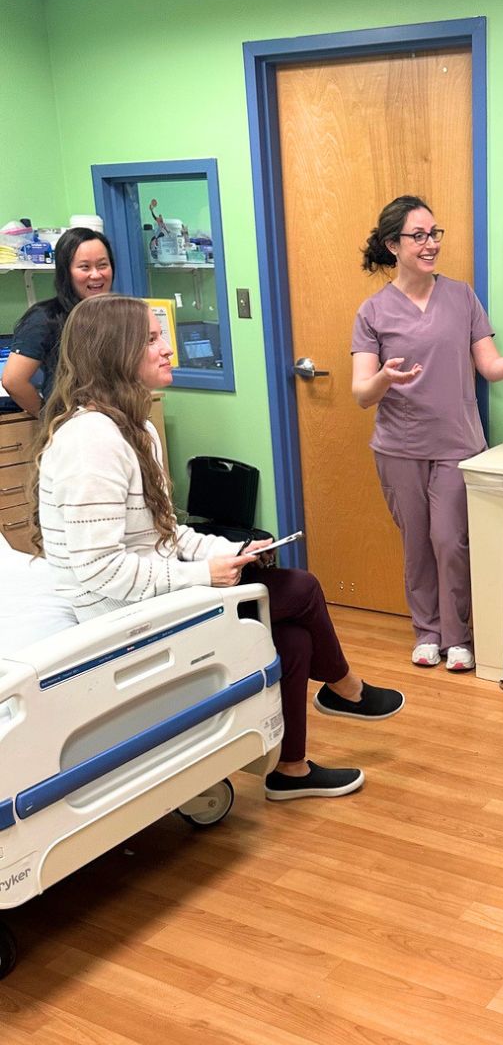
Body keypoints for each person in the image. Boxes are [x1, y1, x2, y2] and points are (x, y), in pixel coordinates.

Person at [33, 295, 404, 802]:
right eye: (151, 339)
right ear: (112, 352)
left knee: (293, 639)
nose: (168, 349)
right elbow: (99, 571)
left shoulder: (136, 427)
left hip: (146, 587)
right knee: (299, 588)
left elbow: (165, 532)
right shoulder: (89, 442)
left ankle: (290, 770)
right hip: (113, 610)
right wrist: (204, 574)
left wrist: (233, 548)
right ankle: (345, 688)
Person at [352, 195, 503, 672]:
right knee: (417, 543)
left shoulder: (461, 295)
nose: (430, 244)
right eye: (418, 236)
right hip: (399, 447)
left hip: (458, 445)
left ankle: (458, 636)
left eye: (434, 234)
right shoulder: (373, 312)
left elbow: (487, 364)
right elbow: (362, 394)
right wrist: (386, 377)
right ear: (393, 245)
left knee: (451, 540)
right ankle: (426, 633)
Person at [5, 227, 116, 416]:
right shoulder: (45, 318)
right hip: (74, 430)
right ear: (66, 272)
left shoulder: (117, 314)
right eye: (84, 267)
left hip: (116, 420)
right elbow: (13, 381)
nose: (96, 275)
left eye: (102, 265)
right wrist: (51, 417)